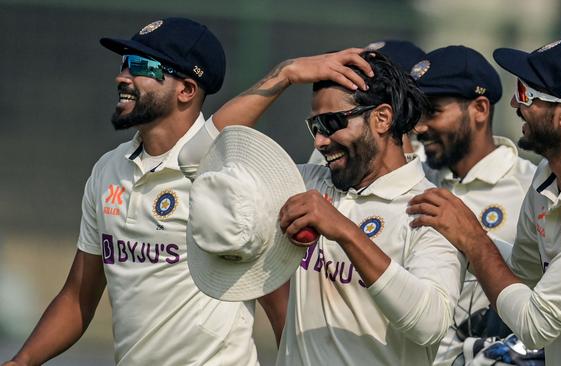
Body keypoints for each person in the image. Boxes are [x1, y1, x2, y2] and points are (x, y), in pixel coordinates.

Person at [3, 17, 287, 366]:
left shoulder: (229, 177)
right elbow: (79, 296)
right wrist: (21, 362)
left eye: (140, 66)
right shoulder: (108, 170)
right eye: (124, 63)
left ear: (186, 90)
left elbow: (279, 302)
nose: (122, 76)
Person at [181, 49, 465, 365]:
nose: (320, 141)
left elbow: (429, 325)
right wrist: (285, 74)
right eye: (314, 127)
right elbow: (195, 160)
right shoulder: (306, 183)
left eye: (331, 123)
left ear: (381, 118)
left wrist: (346, 232)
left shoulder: (432, 208)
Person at [407, 36, 561, 365]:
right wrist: (459, 232)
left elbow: (536, 326)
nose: (513, 104)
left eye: (525, 93)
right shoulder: (546, 174)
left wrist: (473, 238)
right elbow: (524, 276)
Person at [410, 45, 536, 365]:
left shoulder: (531, 192)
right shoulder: (412, 179)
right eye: (416, 113)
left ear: (480, 109)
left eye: (433, 111)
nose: (419, 127)